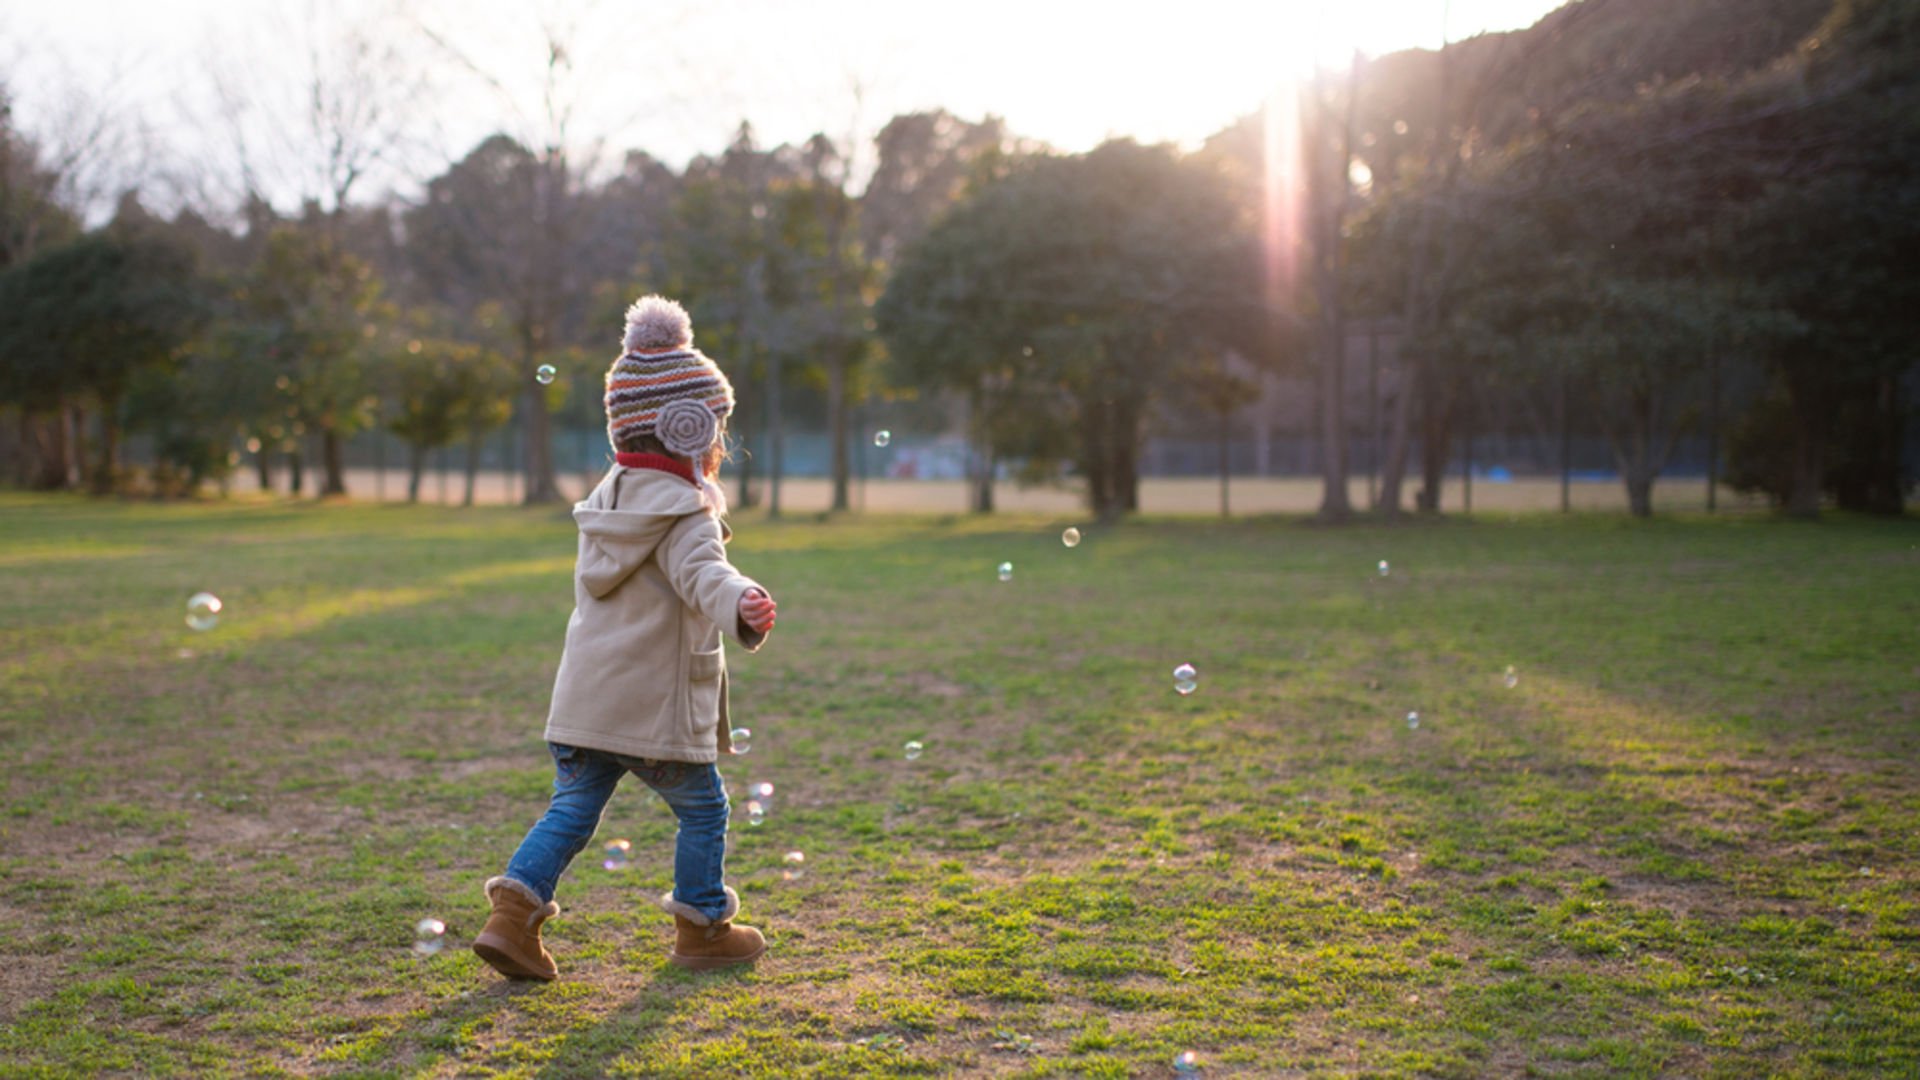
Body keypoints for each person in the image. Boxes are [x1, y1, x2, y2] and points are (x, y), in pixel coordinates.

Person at [473, 296, 778, 981]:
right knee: (706, 810)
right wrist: (743, 602)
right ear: (688, 427)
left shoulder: (610, 499)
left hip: (585, 704)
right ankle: (702, 928)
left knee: (573, 809)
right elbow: (705, 573)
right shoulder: (686, 511)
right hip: (648, 711)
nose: (721, 441)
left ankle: (510, 922)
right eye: (716, 426)